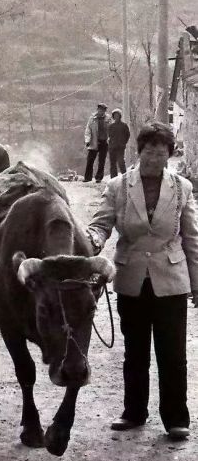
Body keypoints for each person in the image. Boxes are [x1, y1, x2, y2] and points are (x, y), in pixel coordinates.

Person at [87, 121, 198, 441]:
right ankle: (134, 412)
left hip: (171, 282)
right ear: (139, 151)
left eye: (161, 153)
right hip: (131, 279)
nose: (154, 158)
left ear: (169, 155)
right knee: (135, 352)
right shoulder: (119, 186)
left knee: (173, 353)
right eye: (149, 151)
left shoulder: (182, 188)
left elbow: (191, 239)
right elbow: (101, 225)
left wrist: (196, 282)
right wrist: (91, 241)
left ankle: (176, 419)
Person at [84, 103, 110, 182]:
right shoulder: (92, 118)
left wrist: (110, 139)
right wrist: (87, 140)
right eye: (100, 109)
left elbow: (111, 130)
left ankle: (99, 178)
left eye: (103, 110)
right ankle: (87, 177)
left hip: (104, 142)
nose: (101, 111)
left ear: (105, 111)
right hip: (94, 141)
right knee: (90, 160)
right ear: (97, 109)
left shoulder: (108, 119)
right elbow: (88, 130)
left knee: (101, 161)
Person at [108, 108, 130, 178]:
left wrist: (123, 143)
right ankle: (113, 179)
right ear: (113, 117)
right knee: (113, 164)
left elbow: (127, 135)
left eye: (117, 115)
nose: (116, 117)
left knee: (121, 162)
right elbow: (109, 136)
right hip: (112, 147)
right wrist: (110, 144)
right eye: (114, 115)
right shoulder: (111, 126)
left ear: (120, 116)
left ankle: (125, 177)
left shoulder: (124, 126)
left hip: (120, 147)